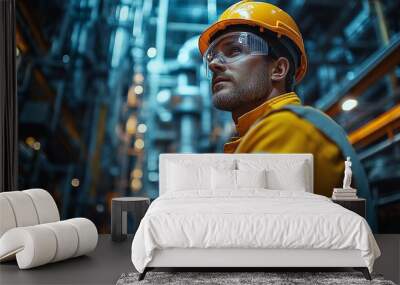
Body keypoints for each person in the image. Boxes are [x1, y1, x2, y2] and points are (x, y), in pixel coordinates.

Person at [198, 1, 376, 230]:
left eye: (234, 50)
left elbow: (242, 234)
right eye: (211, 56)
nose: (213, 64)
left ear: (278, 70)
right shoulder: (256, 133)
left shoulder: (286, 127)